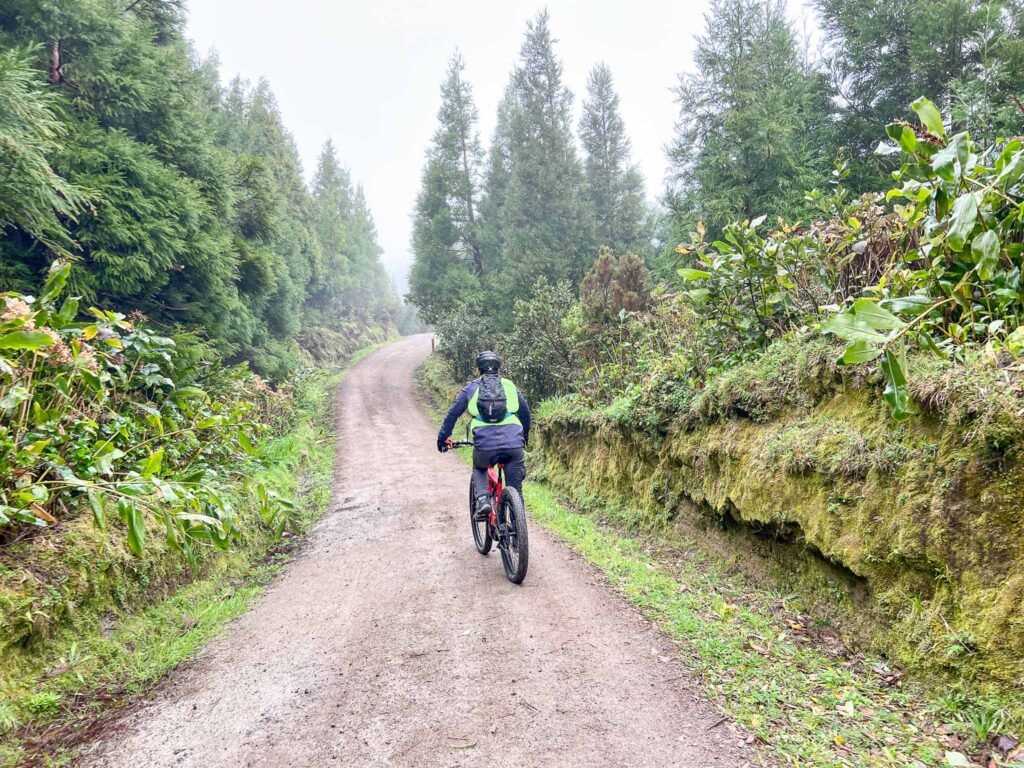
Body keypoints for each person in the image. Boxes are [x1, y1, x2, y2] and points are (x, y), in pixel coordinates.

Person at [437, 351, 531, 520]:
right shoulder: (510, 386)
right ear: (498, 369)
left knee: (480, 467)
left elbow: (453, 414)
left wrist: (443, 438)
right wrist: (525, 435)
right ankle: (518, 530)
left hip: (485, 444)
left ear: (478, 370)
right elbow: (525, 413)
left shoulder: (471, 387)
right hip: (514, 442)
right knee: (516, 490)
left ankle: (482, 500)